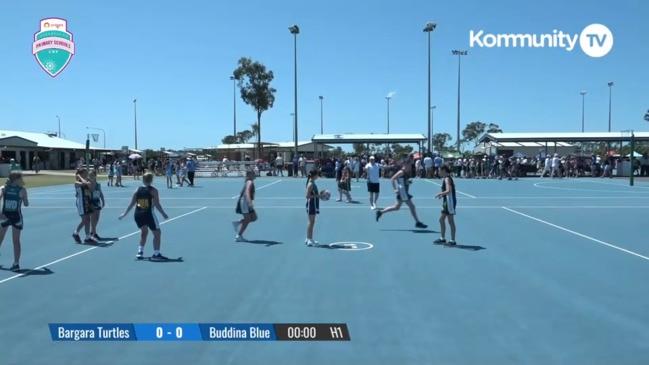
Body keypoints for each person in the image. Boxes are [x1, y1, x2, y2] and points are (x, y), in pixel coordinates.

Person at [119, 172, 169, 260]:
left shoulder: (137, 190)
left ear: (143, 180)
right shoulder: (153, 190)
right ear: (151, 180)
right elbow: (157, 204)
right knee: (157, 233)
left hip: (138, 214)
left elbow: (131, 204)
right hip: (148, 214)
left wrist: (124, 214)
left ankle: (140, 251)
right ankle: (156, 253)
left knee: (144, 233)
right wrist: (163, 213)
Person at [375, 157, 427, 229]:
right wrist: (395, 189)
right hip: (403, 192)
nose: (410, 166)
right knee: (412, 206)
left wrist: (408, 182)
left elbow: (404, 181)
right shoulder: (401, 172)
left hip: (404, 191)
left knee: (397, 207)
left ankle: (381, 212)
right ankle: (417, 222)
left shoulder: (406, 172)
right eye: (409, 164)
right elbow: (393, 179)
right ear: (405, 164)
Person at [0, 171, 29, 271]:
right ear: (17, 179)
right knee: (16, 241)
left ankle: (16, 263)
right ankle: (16, 264)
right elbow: (26, 204)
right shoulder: (22, 190)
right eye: (21, 178)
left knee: (0, 238)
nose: (22, 180)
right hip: (16, 217)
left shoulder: (4, 188)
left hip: (5, 216)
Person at [434, 165, 457, 245]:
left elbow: (448, 190)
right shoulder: (445, 179)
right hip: (446, 201)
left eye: (439, 170)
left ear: (444, 170)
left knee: (451, 221)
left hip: (449, 202)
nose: (438, 172)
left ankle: (452, 240)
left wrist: (440, 193)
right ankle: (442, 238)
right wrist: (442, 195)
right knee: (441, 220)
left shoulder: (447, 179)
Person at [72, 169, 97, 244]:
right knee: (84, 219)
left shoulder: (87, 181)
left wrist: (90, 182)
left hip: (87, 202)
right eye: (85, 173)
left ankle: (87, 236)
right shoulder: (77, 182)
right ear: (81, 174)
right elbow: (83, 183)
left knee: (88, 220)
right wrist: (79, 176)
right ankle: (75, 232)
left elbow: (91, 188)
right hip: (81, 203)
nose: (87, 175)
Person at [232, 170, 257, 242]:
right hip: (245, 201)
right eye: (253, 173)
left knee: (254, 218)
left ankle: (238, 222)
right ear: (249, 175)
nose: (255, 175)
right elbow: (247, 192)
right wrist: (249, 202)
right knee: (248, 219)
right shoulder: (250, 182)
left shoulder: (249, 182)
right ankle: (238, 236)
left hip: (245, 201)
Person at [305, 169, 324, 246]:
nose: (318, 176)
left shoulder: (313, 183)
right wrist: (318, 195)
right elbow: (307, 196)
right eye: (317, 175)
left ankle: (309, 238)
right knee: (311, 221)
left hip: (314, 203)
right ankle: (309, 239)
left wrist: (319, 194)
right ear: (314, 175)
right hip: (311, 204)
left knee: (312, 221)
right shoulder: (310, 184)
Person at [88, 170, 105, 241]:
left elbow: (100, 193)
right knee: (92, 218)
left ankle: (92, 231)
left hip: (97, 201)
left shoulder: (98, 184)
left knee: (97, 218)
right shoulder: (88, 184)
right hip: (91, 201)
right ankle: (94, 233)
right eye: (90, 175)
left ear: (95, 176)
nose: (91, 176)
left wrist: (103, 200)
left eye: (92, 175)